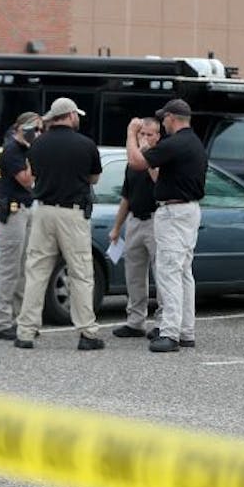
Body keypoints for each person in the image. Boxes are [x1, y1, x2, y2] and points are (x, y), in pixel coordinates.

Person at [14, 97, 103, 351]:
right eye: (77, 115)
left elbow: (33, 174)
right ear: (71, 115)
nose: (78, 119)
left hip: (43, 211)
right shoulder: (86, 144)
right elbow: (94, 178)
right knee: (81, 273)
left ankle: (26, 332)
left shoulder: (38, 144)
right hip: (72, 214)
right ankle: (86, 332)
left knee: (36, 271)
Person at [126, 98, 207, 353]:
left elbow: (137, 163)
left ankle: (170, 333)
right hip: (189, 210)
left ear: (172, 118)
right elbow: (157, 174)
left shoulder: (175, 143)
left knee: (169, 271)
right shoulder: (194, 143)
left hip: (173, 212)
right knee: (184, 272)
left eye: (164, 119)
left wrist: (131, 134)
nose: (163, 123)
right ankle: (186, 331)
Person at [0, 112, 41, 340]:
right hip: (12, 211)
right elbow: (27, 181)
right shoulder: (12, 150)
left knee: (23, 268)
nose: (39, 134)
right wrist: (37, 154)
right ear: (23, 128)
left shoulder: (21, 149)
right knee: (8, 269)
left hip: (25, 209)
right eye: (35, 129)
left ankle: (22, 319)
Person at [110, 117, 161, 338]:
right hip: (134, 221)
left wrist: (147, 155)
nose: (145, 138)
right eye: (142, 134)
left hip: (155, 220)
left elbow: (159, 180)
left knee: (161, 274)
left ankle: (162, 322)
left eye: (150, 134)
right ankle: (135, 320)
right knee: (134, 274)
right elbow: (126, 197)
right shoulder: (131, 164)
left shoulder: (160, 158)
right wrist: (117, 226)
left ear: (158, 137)